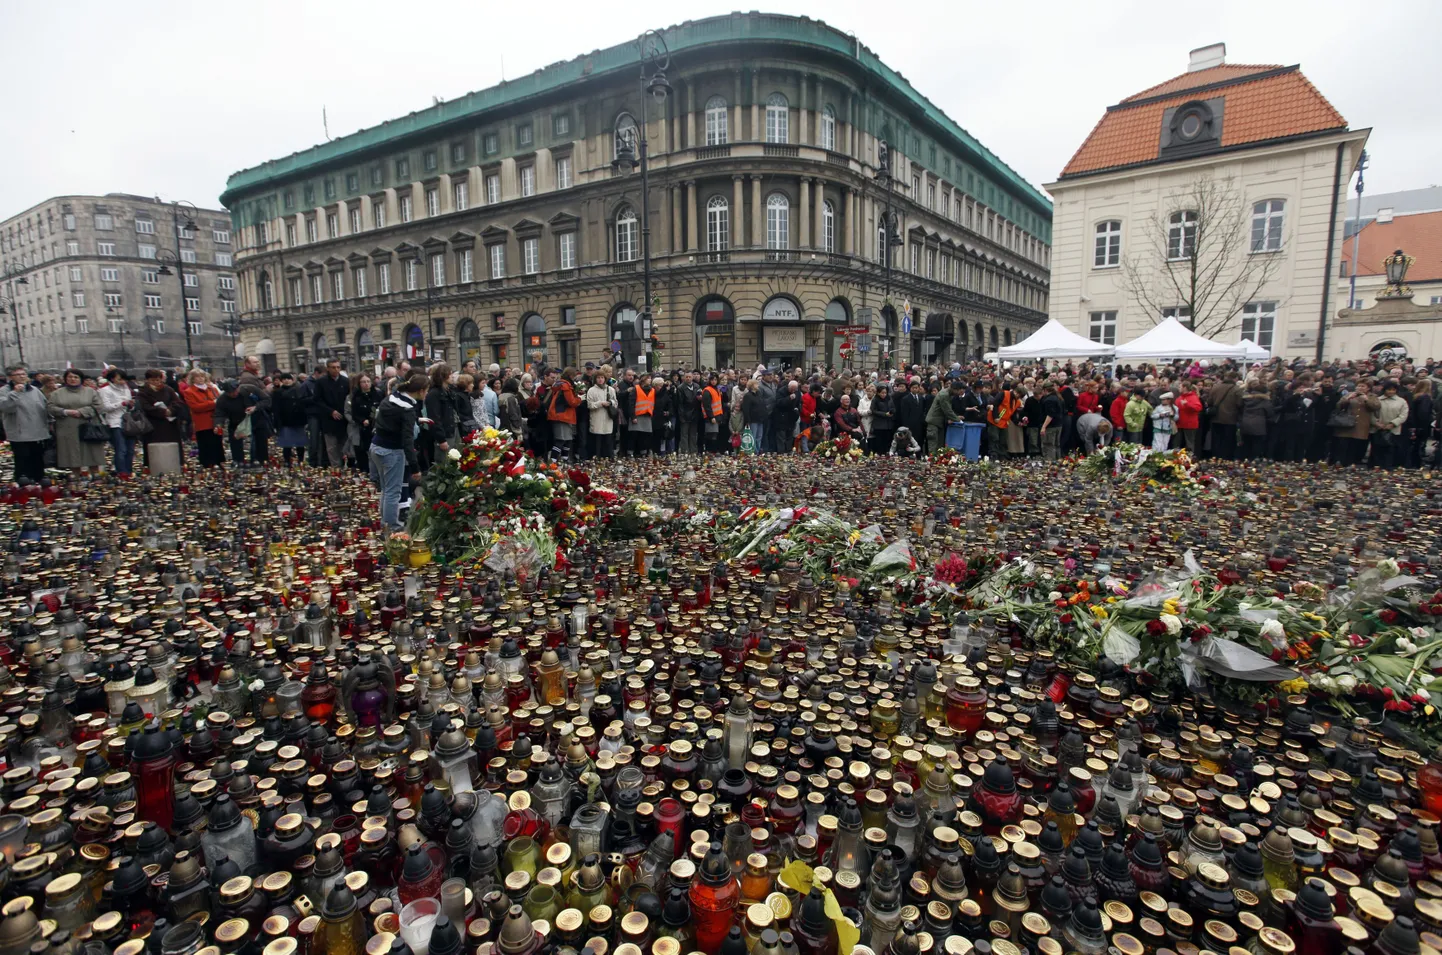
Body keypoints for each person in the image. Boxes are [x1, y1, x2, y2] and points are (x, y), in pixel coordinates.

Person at [371, 371, 428, 532]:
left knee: (386, 488)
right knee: (393, 492)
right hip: (391, 451)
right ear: (421, 390)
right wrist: (415, 467)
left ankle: (385, 523)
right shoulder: (408, 408)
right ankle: (393, 529)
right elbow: (407, 440)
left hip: (377, 447)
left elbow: (393, 421)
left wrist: (416, 420)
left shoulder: (393, 397)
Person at [47, 369, 105, 473]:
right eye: (70, 377)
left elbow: (99, 406)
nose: (73, 379)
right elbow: (50, 407)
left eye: (76, 377)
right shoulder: (57, 393)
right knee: (71, 456)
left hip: (88, 426)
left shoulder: (90, 391)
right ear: (65, 379)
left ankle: (96, 480)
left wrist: (82, 412)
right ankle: (76, 480)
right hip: (67, 427)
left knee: (92, 454)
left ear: (81, 379)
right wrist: (65, 411)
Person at [138, 369, 186, 472]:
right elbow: (145, 406)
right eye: (153, 380)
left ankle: (174, 464)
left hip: (169, 423)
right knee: (155, 447)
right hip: (153, 423)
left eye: (158, 380)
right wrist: (162, 412)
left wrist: (171, 410)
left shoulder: (168, 389)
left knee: (172, 445)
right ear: (148, 380)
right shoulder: (143, 392)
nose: (156, 382)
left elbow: (178, 402)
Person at [311, 360, 350, 471]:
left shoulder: (345, 381)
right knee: (331, 447)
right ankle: (336, 468)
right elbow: (317, 400)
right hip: (328, 418)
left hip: (343, 419)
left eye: (338, 367)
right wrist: (330, 411)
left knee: (344, 445)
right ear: (328, 368)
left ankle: (344, 466)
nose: (336, 369)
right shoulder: (321, 382)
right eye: (333, 367)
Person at [97, 368, 135, 478]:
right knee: (121, 449)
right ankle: (121, 472)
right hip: (114, 422)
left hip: (128, 422)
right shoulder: (105, 390)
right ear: (112, 379)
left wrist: (131, 405)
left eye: (124, 379)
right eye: (120, 379)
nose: (123, 381)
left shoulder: (126, 389)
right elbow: (105, 407)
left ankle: (129, 471)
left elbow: (129, 407)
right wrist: (122, 403)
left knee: (130, 450)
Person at [181, 370, 223, 468]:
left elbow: (220, 403)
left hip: (215, 421)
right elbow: (195, 407)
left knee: (217, 444)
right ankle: (207, 464)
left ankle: (218, 463)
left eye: (202, 376)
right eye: (197, 377)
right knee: (205, 444)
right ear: (193, 379)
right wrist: (212, 403)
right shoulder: (189, 391)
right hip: (202, 423)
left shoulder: (212, 389)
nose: (200, 379)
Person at [271, 372, 310, 467]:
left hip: (298, 421)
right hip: (285, 421)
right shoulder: (277, 392)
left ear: (292, 380)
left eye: (288, 379)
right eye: (284, 379)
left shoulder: (298, 390)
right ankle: (287, 461)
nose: (286, 381)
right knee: (287, 444)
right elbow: (275, 409)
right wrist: (277, 423)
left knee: (300, 443)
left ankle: (301, 460)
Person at [545, 367, 583, 461]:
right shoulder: (565, 385)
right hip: (562, 416)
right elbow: (572, 402)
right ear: (571, 376)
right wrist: (580, 398)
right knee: (561, 440)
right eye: (574, 376)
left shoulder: (560, 384)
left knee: (567, 441)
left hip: (561, 415)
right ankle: (553, 463)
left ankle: (562, 462)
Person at [346, 374, 381, 471]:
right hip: (362, 428)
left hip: (375, 426)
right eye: (363, 382)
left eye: (368, 381)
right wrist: (362, 420)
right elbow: (354, 413)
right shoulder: (356, 397)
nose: (366, 384)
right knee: (362, 452)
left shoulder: (377, 394)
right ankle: (365, 471)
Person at [1373, 379, 1409, 470]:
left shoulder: (1401, 401)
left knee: (1391, 449)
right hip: (1378, 428)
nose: (1391, 391)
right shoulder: (1377, 400)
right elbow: (1371, 413)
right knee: (1377, 448)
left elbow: (1403, 415)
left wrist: (1393, 423)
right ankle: (1376, 466)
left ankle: (1388, 466)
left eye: (1393, 389)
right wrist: (1376, 423)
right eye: (1389, 389)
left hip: (1394, 429)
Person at [1207, 373, 1244, 459]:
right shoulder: (1237, 389)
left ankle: (1215, 457)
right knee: (1228, 441)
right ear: (1235, 378)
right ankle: (1226, 459)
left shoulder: (1215, 387)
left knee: (1216, 440)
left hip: (1215, 418)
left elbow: (1209, 402)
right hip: (1230, 419)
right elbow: (1240, 404)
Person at [585, 370, 619, 459]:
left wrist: (610, 403)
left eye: (602, 378)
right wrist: (600, 403)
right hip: (596, 419)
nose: (600, 380)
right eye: (598, 378)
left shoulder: (610, 389)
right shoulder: (591, 390)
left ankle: (609, 458)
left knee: (608, 440)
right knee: (597, 440)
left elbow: (615, 402)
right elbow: (589, 405)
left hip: (608, 418)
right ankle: (597, 457)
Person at [1238, 381, 1271, 460]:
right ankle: (1253, 460)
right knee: (1257, 443)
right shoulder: (1265, 401)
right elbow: (1270, 413)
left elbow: (1240, 409)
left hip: (1245, 423)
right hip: (1259, 425)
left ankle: (1243, 459)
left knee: (1246, 443)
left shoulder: (1245, 399)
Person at [925, 381, 963, 452]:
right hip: (934, 422)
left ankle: (938, 461)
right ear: (954, 389)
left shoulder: (948, 394)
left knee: (940, 445)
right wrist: (958, 420)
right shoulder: (944, 395)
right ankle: (932, 461)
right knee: (933, 444)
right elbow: (947, 410)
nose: (958, 393)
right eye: (958, 391)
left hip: (940, 422)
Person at [1408, 379, 1435, 468]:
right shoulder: (1425, 397)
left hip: (1415, 424)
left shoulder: (1416, 396)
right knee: (1420, 445)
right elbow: (1423, 412)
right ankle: (1417, 464)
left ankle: (1412, 463)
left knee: (1415, 445)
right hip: (1422, 425)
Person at [1039, 383, 1067, 461]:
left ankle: (1050, 462)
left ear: (1045, 390)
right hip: (1058, 424)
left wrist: (1043, 427)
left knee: (1048, 445)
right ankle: (1058, 461)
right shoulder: (1058, 398)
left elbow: (1050, 415)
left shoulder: (1049, 400)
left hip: (1050, 426)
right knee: (1056, 445)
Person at [1174, 381, 1203, 453]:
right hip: (1179, 423)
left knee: (1189, 443)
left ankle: (1189, 459)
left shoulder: (1193, 397)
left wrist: (1187, 404)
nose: (1179, 388)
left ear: (1185, 388)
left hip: (1189, 424)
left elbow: (1198, 408)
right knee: (1177, 443)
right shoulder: (1180, 397)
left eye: (1180, 387)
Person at [700, 374, 725, 453]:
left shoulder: (717, 389)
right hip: (711, 417)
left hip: (717, 415)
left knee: (715, 434)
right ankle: (710, 451)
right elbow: (707, 405)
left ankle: (713, 451)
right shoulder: (707, 390)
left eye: (715, 380)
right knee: (711, 435)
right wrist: (711, 417)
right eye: (712, 380)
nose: (714, 381)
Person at [869, 383, 896, 456]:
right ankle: (880, 454)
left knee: (887, 440)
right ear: (878, 393)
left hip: (888, 423)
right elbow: (873, 410)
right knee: (879, 441)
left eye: (885, 393)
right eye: (882, 393)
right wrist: (884, 414)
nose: (884, 394)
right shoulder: (875, 399)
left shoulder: (889, 398)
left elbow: (893, 407)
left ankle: (887, 453)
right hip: (879, 424)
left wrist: (892, 412)